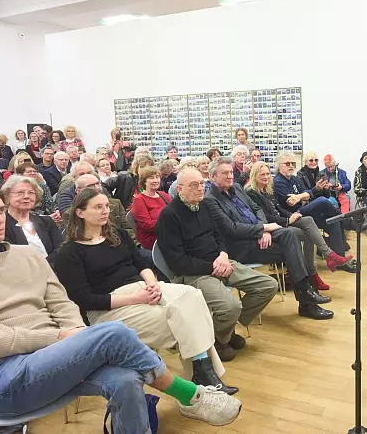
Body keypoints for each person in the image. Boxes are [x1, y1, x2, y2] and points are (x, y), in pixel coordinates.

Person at [0, 186, 241, 429]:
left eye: (0, 210)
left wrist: (71, 333)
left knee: (127, 379)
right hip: (0, 377)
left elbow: (62, 302)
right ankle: (191, 395)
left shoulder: (26, 256)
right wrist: (58, 338)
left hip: (56, 357)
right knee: (115, 333)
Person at [56, 188, 237, 395]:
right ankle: (202, 378)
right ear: (80, 212)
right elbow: (85, 299)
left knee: (192, 296)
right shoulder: (69, 253)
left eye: (106, 206)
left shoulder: (118, 234)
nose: (105, 211)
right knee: (181, 319)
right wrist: (134, 298)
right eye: (98, 207)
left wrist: (152, 282)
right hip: (110, 307)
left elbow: (141, 263)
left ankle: (200, 378)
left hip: (143, 288)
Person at [156, 167, 280, 361]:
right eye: (193, 185)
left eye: (201, 184)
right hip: (193, 273)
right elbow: (178, 262)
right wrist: (213, 267)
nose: (200, 188)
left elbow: (218, 236)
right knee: (230, 307)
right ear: (179, 189)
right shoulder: (168, 216)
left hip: (219, 261)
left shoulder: (204, 205)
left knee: (268, 285)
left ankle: (225, 331)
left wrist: (223, 255)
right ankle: (217, 341)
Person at [204, 157, 333, 320]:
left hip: (258, 235)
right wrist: (262, 229)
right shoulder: (210, 200)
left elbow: (256, 209)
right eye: (225, 173)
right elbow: (231, 228)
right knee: (292, 249)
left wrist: (263, 229)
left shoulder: (236, 187)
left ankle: (307, 297)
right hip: (240, 246)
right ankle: (307, 299)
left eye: (231, 172)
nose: (230, 176)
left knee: (289, 236)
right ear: (212, 176)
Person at [246, 162, 351, 291]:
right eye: (262, 174)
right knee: (318, 211)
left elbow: (279, 208)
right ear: (255, 175)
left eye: (268, 174)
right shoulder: (252, 192)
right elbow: (266, 216)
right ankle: (317, 270)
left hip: (285, 218)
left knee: (309, 221)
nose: (266, 177)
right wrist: (287, 220)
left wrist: (292, 214)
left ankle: (323, 262)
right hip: (273, 226)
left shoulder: (269, 189)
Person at [272, 151, 356, 271]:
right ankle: (348, 223)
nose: (291, 166)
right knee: (323, 201)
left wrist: (301, 196)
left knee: (334, 221)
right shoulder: (279, 181)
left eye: (293, 163)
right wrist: (306, 195)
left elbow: (308, 194)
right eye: (287, 163)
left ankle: (340, 261)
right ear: (279, 166)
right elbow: (291, 201)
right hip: (292, 216)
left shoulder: (294, 179)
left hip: (304, 211)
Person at [63, 174, 142, 249]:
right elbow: (76, 237)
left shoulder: (116, 203)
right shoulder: (70, 213)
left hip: (122, 245)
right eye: (91, 186)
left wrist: (136, 246)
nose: (97, 188)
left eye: (98, 184)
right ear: (78, 191)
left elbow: (127, 229)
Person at [3, 175, 64, 267]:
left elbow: (61, 249)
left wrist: (45, 266)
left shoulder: (46, 221)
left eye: (31, 193)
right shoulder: (1, 225)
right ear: (7, 197)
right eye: (20, 192)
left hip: (53, 270)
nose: (26, 196)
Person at [132, 166, 172, 250]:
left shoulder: (163, 195)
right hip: (152, 240)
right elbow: (147, 225)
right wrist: (170, 222)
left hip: (169, 234)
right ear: (144, 181)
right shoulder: (139, 200)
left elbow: (176, 212)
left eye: (157, 177)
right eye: (151, 178)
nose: (155, 180)